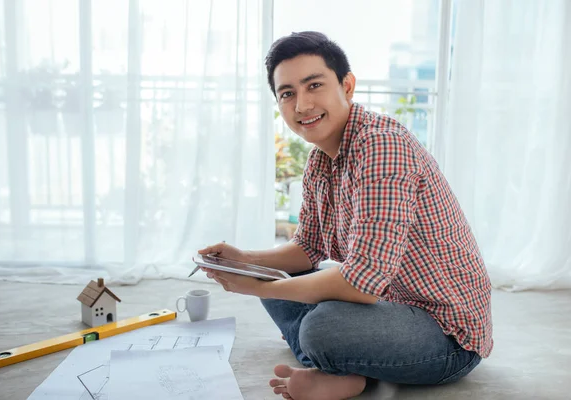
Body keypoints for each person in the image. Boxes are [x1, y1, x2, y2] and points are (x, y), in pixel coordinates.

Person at [198, 31, 492, 400]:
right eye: (287, 93)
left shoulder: (382, 145)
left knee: (321, 327)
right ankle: (336, 369)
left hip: (446, 334)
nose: (302, 105)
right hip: (390, 303)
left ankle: (337, 364)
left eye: (314, 85)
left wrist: (257, 287)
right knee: (279, 280)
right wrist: (247, 262)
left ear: (347, 85)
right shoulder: (321, 159)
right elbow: (309, 247)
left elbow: (362, 283)